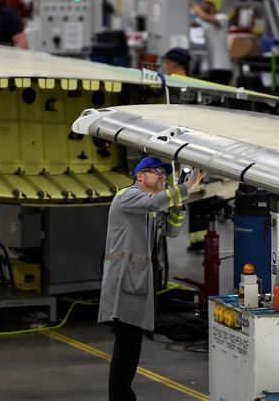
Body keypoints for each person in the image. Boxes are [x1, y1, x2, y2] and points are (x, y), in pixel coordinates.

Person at [99, 156, 206, 401]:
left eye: (164, 173)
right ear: (140, 176)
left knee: (130, 348)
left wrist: (178, 205)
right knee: (127, 349)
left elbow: (172, 230)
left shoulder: (150, 207)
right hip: (122, 285)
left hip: (138, 285)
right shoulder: (127, 197)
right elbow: (156, 202)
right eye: (156, 172)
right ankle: (121, 397)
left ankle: (123, 396)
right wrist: (186, 187)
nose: (162, 176)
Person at [191, 0, 232, 86]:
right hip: (211, 66)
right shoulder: (206, 21)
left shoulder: (222, 18)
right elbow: (195, 22)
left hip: (222, 67)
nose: (202, 4)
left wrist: (191, 3)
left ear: (211, 4)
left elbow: (204, 17)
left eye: (205, 2)